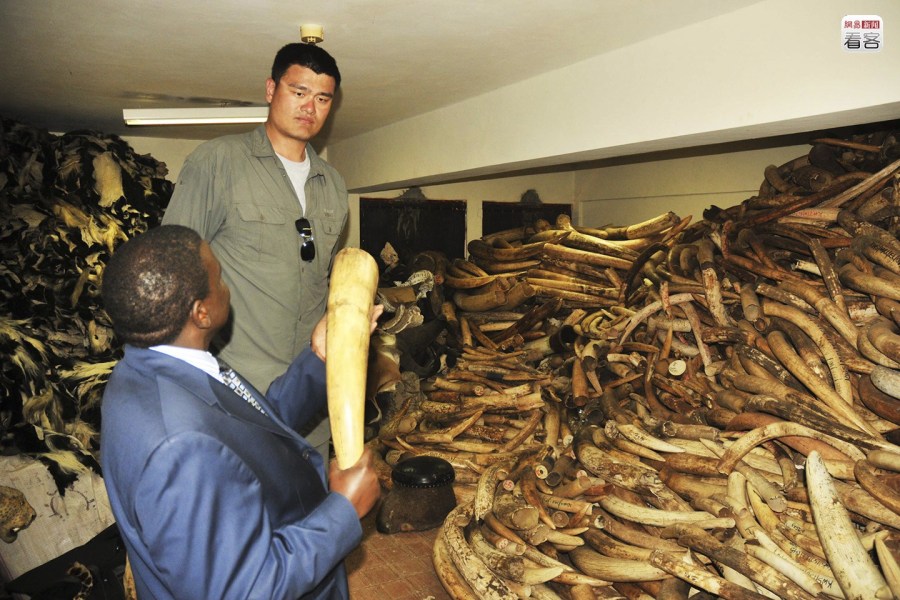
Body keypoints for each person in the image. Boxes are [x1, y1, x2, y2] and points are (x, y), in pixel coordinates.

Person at [100, 224, 380, 600]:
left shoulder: (152, 369)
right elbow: (244, 590)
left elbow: (252, 428)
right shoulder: (180, 448)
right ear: (200, 313)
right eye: (218, 278)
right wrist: (343, 511)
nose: (226, 286)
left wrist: (320, 357)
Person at [161, 42, 348, 459]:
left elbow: (320, 281)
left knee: (310, 495)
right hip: (238, 395)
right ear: (270, 89)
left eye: (322, 99)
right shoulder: (217, 162)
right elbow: (172, 272)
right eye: (298, 92)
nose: (309, 107)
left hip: (311, 400)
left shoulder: (333, 185)